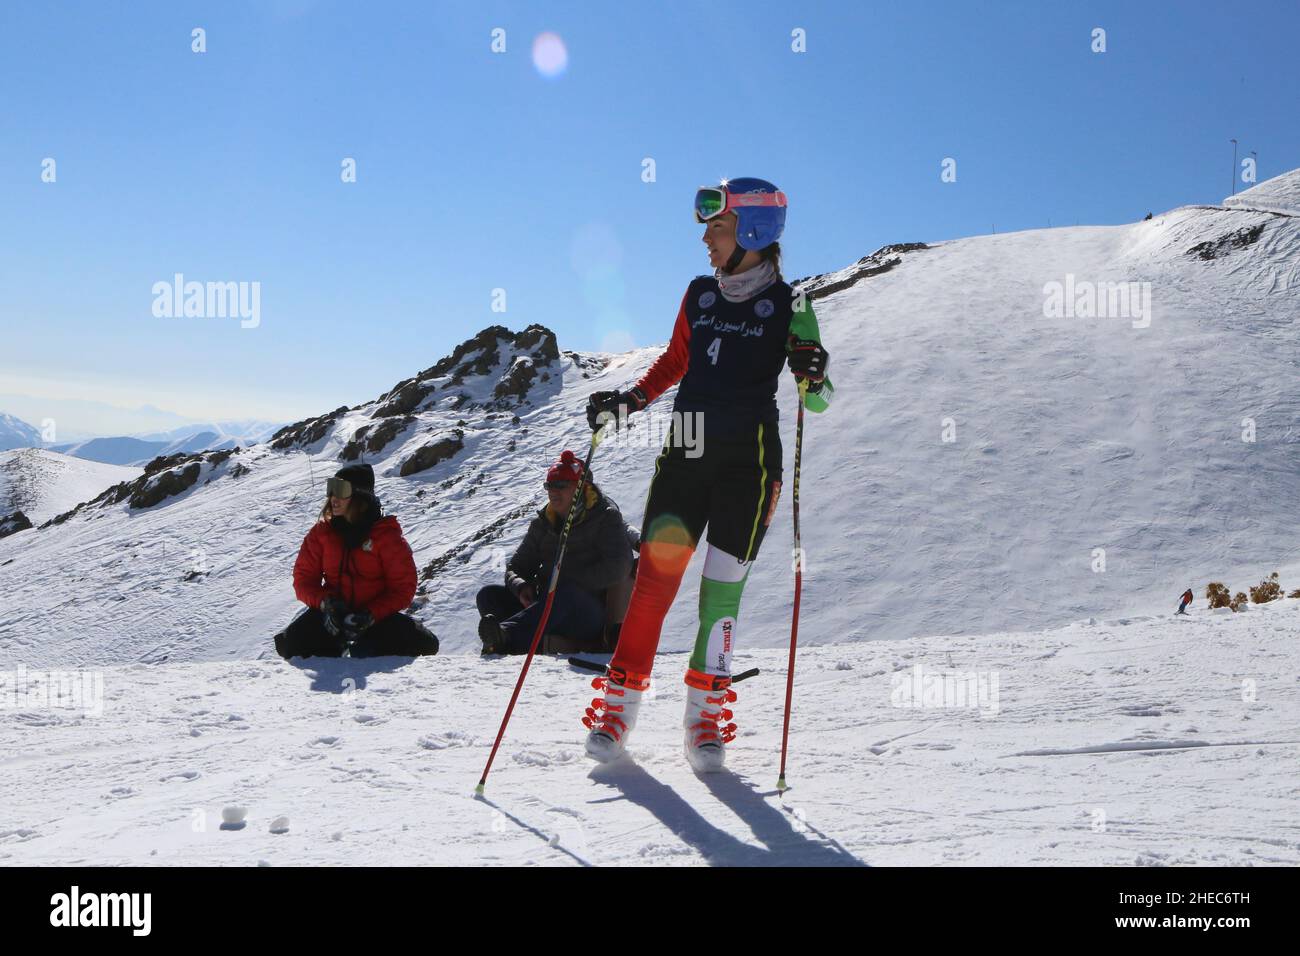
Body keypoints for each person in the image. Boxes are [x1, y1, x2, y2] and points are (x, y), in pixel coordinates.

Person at [579, 177, 833, 771]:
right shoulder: (699, 294)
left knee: (721, 594)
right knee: (652, 588)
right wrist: (631, 401)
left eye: (716, 229)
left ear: (752, 232)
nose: (706, 241)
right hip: (686, 454)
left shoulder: (793, 306)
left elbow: (816, 399)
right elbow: (676, 361)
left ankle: (703, 719)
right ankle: (619, 709)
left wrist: (814, 373)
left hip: (751, 463)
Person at [476, 450, 635, 655]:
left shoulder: (604, 518)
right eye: (549, 485)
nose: (553, 491)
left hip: (588, 612)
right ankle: (506, 639)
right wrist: (521, 586)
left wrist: (570, 579)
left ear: (580, 488)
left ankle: (507, 637)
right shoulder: (544, 523)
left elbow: (620, 567)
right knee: (488, 596)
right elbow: (516, 568)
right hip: (547, 603)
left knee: (566, 595)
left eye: (561, 485)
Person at [274, 463, 438, 659]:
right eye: (331, 488)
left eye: (341, 490)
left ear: (361, 497)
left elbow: (403, 588)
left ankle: (363, 646)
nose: (333, 498)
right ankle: (337, 648)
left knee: (427, 645)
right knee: (289, 644)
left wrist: (370, 615)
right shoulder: (321, 534)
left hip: (376, 619)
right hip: (332, 617)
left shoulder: (385, 536)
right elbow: (304, 580)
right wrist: (327, 604)